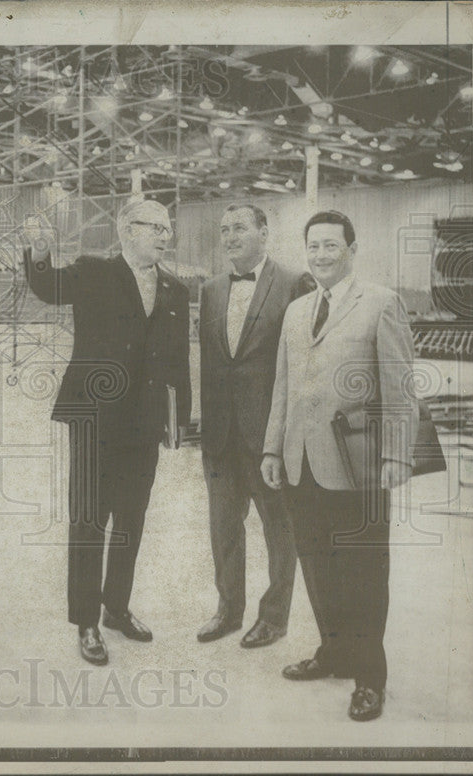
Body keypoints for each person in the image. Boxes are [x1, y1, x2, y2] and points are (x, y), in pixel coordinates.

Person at [261, 210, 416, 722]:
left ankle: (370, 678)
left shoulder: (381, 302)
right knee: (317, 566)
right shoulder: (297, 310)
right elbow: (283, 385)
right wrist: (271, 450)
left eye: (331, 245)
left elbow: (399, 389)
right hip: (300, 463)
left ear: (352, 248)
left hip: (359, 465)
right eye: (314, 246)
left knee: (365, 573)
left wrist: (396, 454)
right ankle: (333, 652)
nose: (321, 254)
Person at [22, 200, 191, 666]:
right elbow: (46, 286)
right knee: (89, 520)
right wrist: (39, 250)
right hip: (95, 418)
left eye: (167, 228)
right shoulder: (93, 271)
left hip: (145, 423)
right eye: (153, 227)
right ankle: (86, 621)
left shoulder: (175, 289)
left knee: (130, 522)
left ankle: (116, 608)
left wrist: (178, 424)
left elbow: (178, 361)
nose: (163, 236)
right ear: (125, 230)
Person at [197, 204, 313, 648]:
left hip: (269, 435)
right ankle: (228, 610)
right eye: (224, 230)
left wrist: (287, 435)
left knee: (278, 529)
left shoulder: (293, 283)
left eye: (239, 228)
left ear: (265, 233)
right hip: (220, 435)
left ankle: (275, 617)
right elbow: (211, 362)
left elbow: (303, 363)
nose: (230, 237)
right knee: (223, 527)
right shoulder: (210, 290)